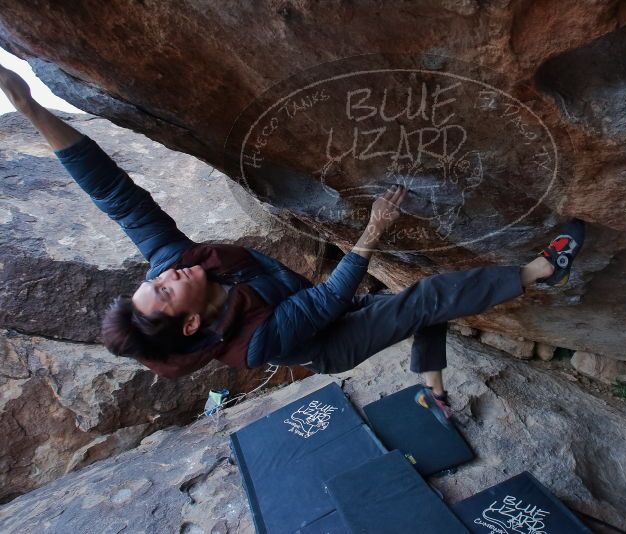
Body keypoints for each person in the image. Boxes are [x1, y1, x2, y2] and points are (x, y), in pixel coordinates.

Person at [0, 64, 585, 415]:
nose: (163, 274)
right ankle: (540, 272)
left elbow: (115, 196)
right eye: (162, 291)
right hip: (332, 341)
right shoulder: (251, 347)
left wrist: (28, 105)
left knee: (419, 308)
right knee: (424, 299)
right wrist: (372, 231)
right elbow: (326, 304)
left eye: (152, 279)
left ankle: (432, 387)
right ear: (188, 325)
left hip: (328, 310)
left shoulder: (179, 264)